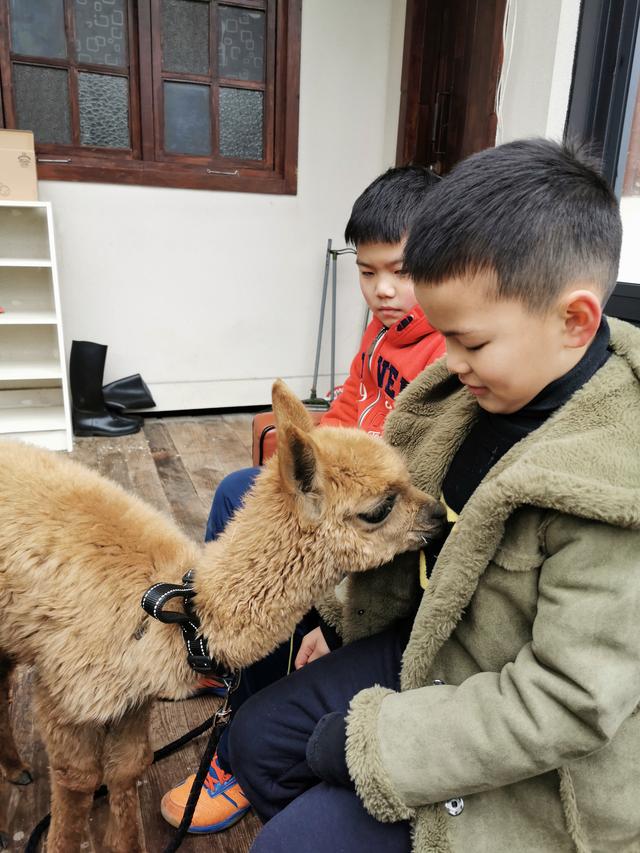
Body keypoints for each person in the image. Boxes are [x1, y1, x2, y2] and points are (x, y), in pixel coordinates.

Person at [222, 139, 640, 853]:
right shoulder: (468, 393)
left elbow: (566, 702)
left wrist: (381, 748)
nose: (447, 362)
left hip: (517, 728)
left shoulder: (611, 485)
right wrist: (333, 610)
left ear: (573, 319)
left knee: (288, 843)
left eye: (468, 342)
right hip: (426, 647)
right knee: (254, 742)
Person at [160, 165, 446, 834]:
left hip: (369, 526)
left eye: (400, 271)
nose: (382, 289)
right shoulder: (382, 334)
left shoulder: (443, 355)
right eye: (367, 270)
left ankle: (242, 734)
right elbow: (344, 414)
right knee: (241, 489)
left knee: (272, 528)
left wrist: (332, 607)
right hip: (338, 497)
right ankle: (227, 642)